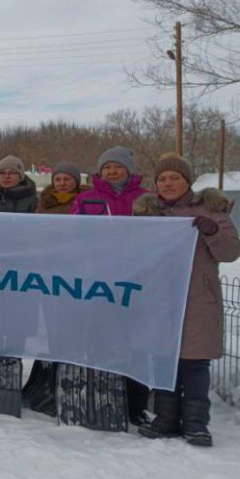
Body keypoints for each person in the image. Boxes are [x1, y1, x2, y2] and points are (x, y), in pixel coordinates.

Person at [134, 154, 240, 447]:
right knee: (162, 358)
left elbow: (231, 252)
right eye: (162, 179)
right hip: (158, 297)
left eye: (175, 178)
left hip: (198, 297)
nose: (168, 183)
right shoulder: (147, 216)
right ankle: (165, 418)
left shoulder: (211, 211)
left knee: (194, 362)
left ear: (187, 181)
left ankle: (196, 424)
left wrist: (213, 232)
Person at [68, 146, 151, 423]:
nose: (111, 171)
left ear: (129, 169)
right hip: (98, 280)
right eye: (106, 167)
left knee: (135, 341)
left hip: (137, 281)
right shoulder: (87, 199)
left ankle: (136, 404)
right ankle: (102, 397)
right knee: (100, 339)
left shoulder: (147, 199)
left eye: (117, 166)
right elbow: (71, 235)